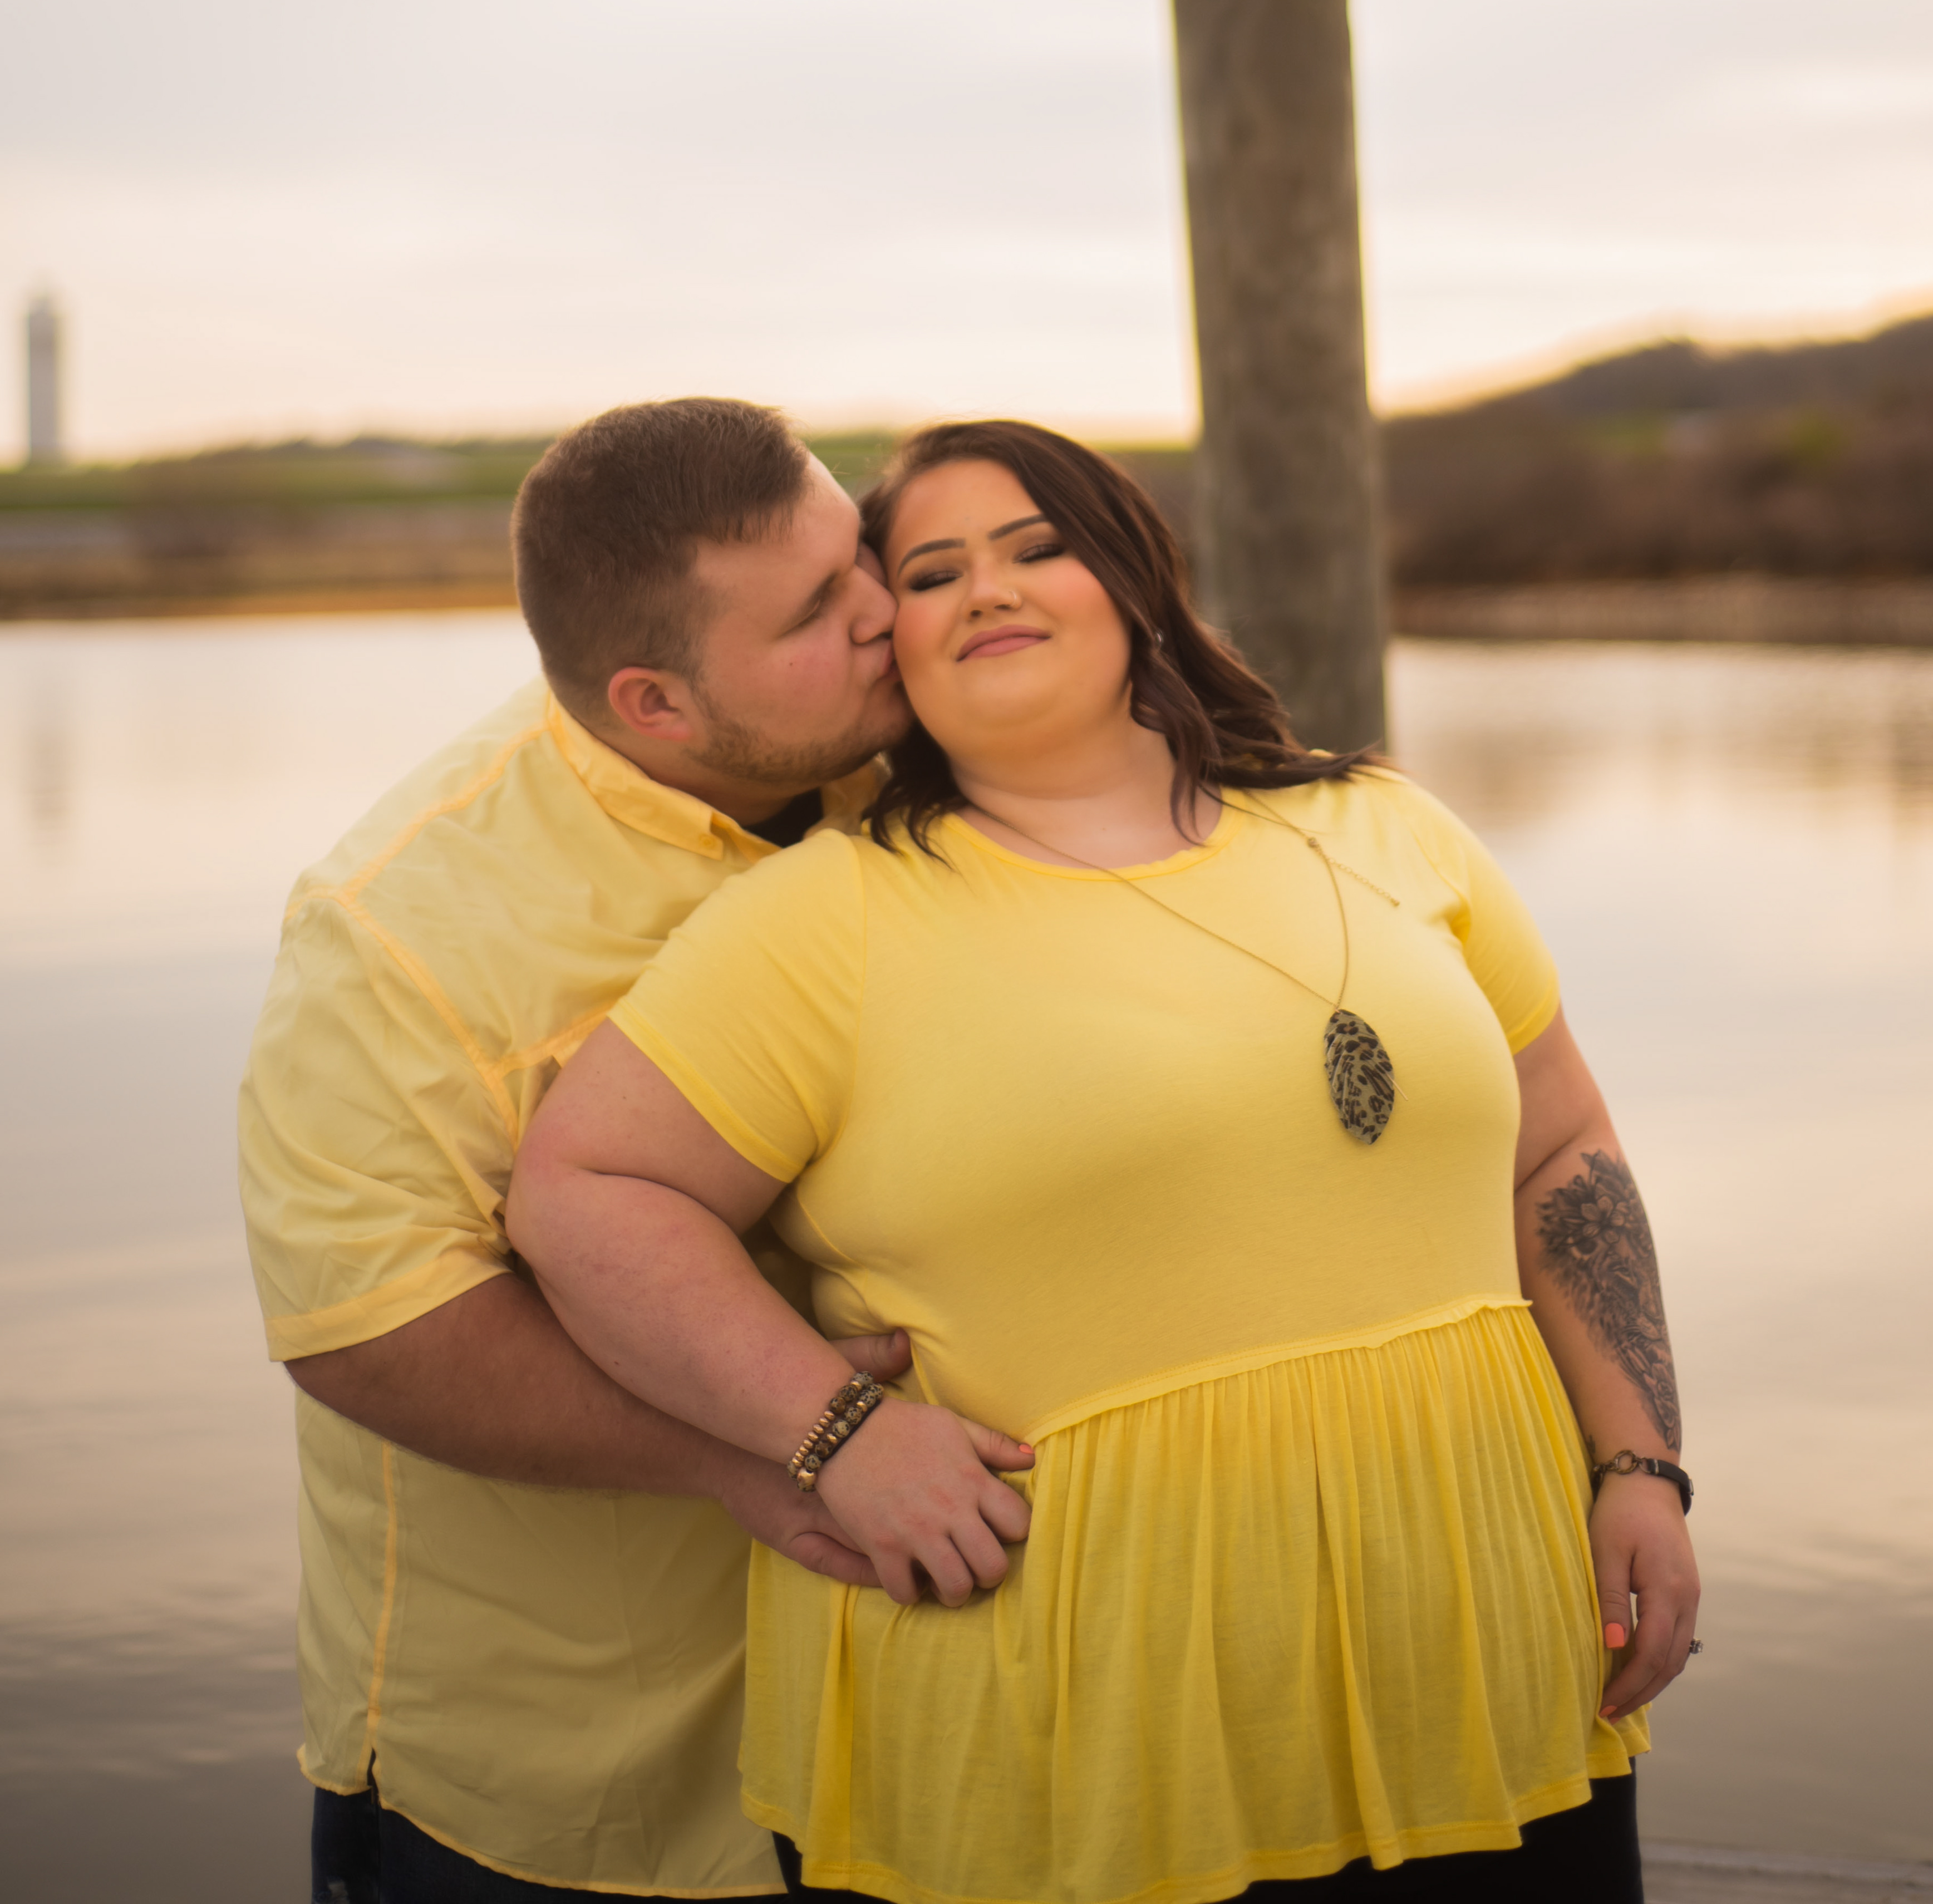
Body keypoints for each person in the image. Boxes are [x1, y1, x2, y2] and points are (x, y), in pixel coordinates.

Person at [509, 418, 1702, 1904]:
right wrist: (832, 1432)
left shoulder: (1385, 828)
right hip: (1072, 1693)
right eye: (930, 574)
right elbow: (586, 1193)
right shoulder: (823, 922)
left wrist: (1642, 1465)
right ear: (894, 645)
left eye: (1037, 547)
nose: (987, 590)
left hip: (1476, 1642)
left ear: (1136, 578)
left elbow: (1562, 1149)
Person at [238, 397, 1001, 1904]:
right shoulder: (397, 928)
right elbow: (370, 1328)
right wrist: (773, 1448)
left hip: (926, 1743)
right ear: (656, 704)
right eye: (813, 612)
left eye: (857, 555)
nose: (879, 612)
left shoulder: (919, 763)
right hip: (567, 1791)